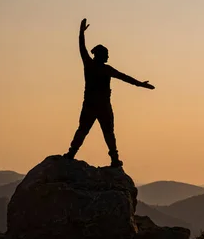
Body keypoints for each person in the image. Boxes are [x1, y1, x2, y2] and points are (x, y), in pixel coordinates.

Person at [64, 18, 155, 167]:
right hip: (102, 106)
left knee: (84, 130)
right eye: (106, 54)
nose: (108, 57)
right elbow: (125, 77)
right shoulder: (105, 69)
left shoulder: (90, 65)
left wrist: (81, 33)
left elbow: (82, 48)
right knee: (107, 133)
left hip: (90, 104)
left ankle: (71, 153)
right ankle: (114, 159)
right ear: (100, 55)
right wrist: (140, 85)